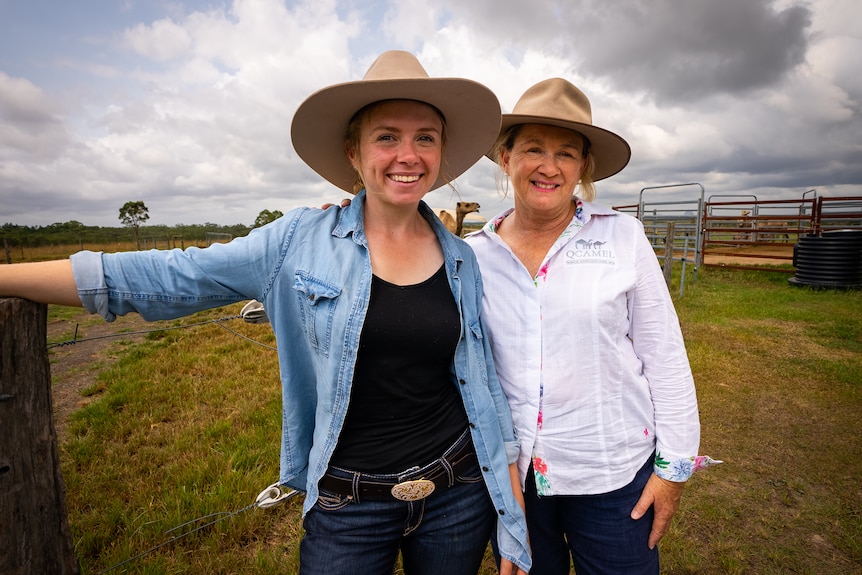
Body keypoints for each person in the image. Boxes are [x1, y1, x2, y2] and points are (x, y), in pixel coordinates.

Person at [0, 51, 531, 575]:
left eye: (425, 138)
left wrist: (512, 518)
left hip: (456, 493)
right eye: (387, 136)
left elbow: (483, 387)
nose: (407, 154)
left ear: (441, 153)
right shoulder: (297, 242)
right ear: (353, 151)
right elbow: (168, 276)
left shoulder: (462, 257)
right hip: (347, 503)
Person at [464, 78, 719, 574]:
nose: (549, 166)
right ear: (505, 157)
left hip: (611, 468)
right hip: (516, 477)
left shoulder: (623, 237)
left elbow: (664, 355)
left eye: (566, 153)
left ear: (582, 167)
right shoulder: (473, 255)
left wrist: (673, 471)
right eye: (533, 148)